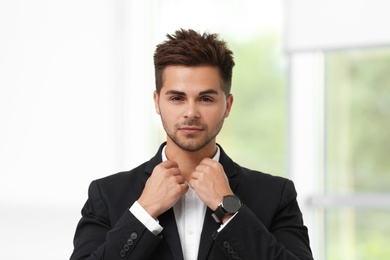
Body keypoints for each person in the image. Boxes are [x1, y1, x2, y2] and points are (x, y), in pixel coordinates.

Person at [70, 29, 313, 260]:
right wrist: (144, 211)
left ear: (227, 106)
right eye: (177, 98)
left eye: (206, 99)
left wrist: (229, 209)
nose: (191, 112)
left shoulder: (275, 195)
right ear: (157, 102)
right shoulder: (107, 195)